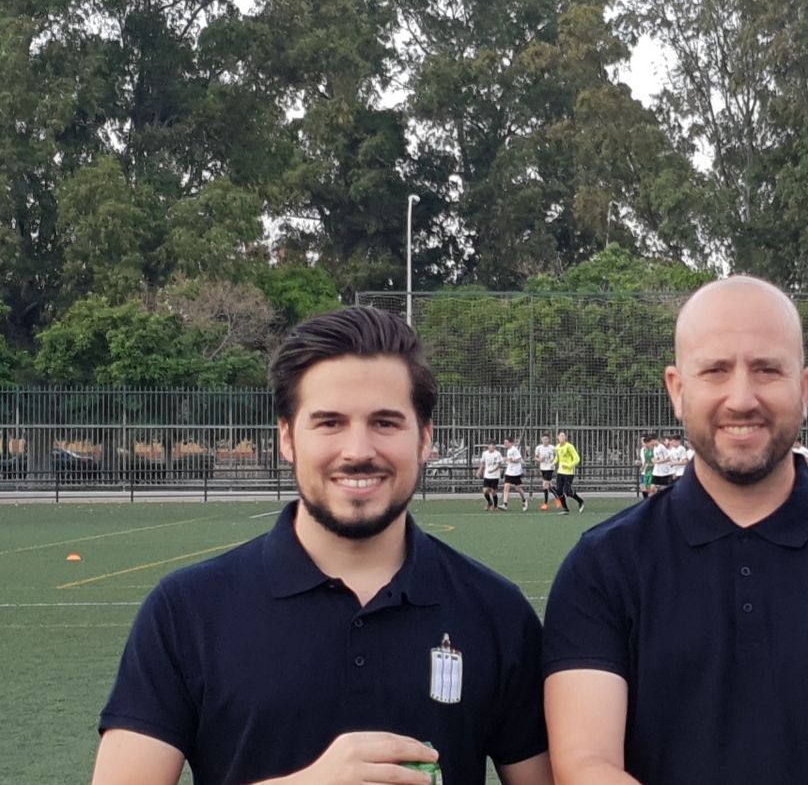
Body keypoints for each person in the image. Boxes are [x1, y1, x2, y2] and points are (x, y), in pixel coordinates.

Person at [92, 305, 550, 785]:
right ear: (287, 438)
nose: (358, 451)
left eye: (386, 423)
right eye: (329, 422)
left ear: (424, 439)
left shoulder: (497, 612)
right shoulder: (185, 611)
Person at [542, 276, 808, 784]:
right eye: (715, 370)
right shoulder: (602, 567)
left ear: (805, 388)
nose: (741, 398)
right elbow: (586, 765)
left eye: (767, 370)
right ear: (677, 390)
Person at [552, 431, 584, 514]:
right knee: (559, 491)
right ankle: (565, 509)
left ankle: (580, 501)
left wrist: (569, 465)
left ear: (565, 438)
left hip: (569, 472)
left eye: (564, 436)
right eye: (561, 436)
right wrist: (552, 463)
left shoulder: (569, 446)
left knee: (567, 491)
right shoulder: (557, 447)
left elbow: (577, 458)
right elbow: (557, 458)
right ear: (557, 437)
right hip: (560, 472)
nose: (562, 437)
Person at [502, 435, 529, 511]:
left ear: (511, 443)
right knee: (506, 486)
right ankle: (505, 504)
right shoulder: (508, 450)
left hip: (516, 472)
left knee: (518, 488)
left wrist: (509, 459)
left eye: (506, 442)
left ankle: (524, 500)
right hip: (509, 472)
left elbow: (518, 459)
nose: (505, 444)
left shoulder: (514, 450)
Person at [478, 439, 505, 511]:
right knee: (485, 491)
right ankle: (489, 502)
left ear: (495, 446)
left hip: (495, 476)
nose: (492, 446)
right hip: (487, 475)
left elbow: (499, 464)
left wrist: (493, 470)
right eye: (490, 445)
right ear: (488, 446)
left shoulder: (497, 454)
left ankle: (495, 506)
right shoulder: (485, 453)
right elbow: (482, 463)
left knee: (493, 491)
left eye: (493, 445)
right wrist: (480, 470)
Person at [534, 434, 557, 510]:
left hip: (550, 468)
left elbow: (558, 456)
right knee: (550, 486)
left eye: (546, 439)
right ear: (541, 439)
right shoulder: (539, 448)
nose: (545, 440)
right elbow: (535, 457)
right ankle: (558, 498)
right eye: (544, 439)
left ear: (549, 440)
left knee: (545, 485)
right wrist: (539, 459)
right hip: (543, 468)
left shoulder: (552, 448)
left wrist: (553, 461)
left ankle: (545, 503)